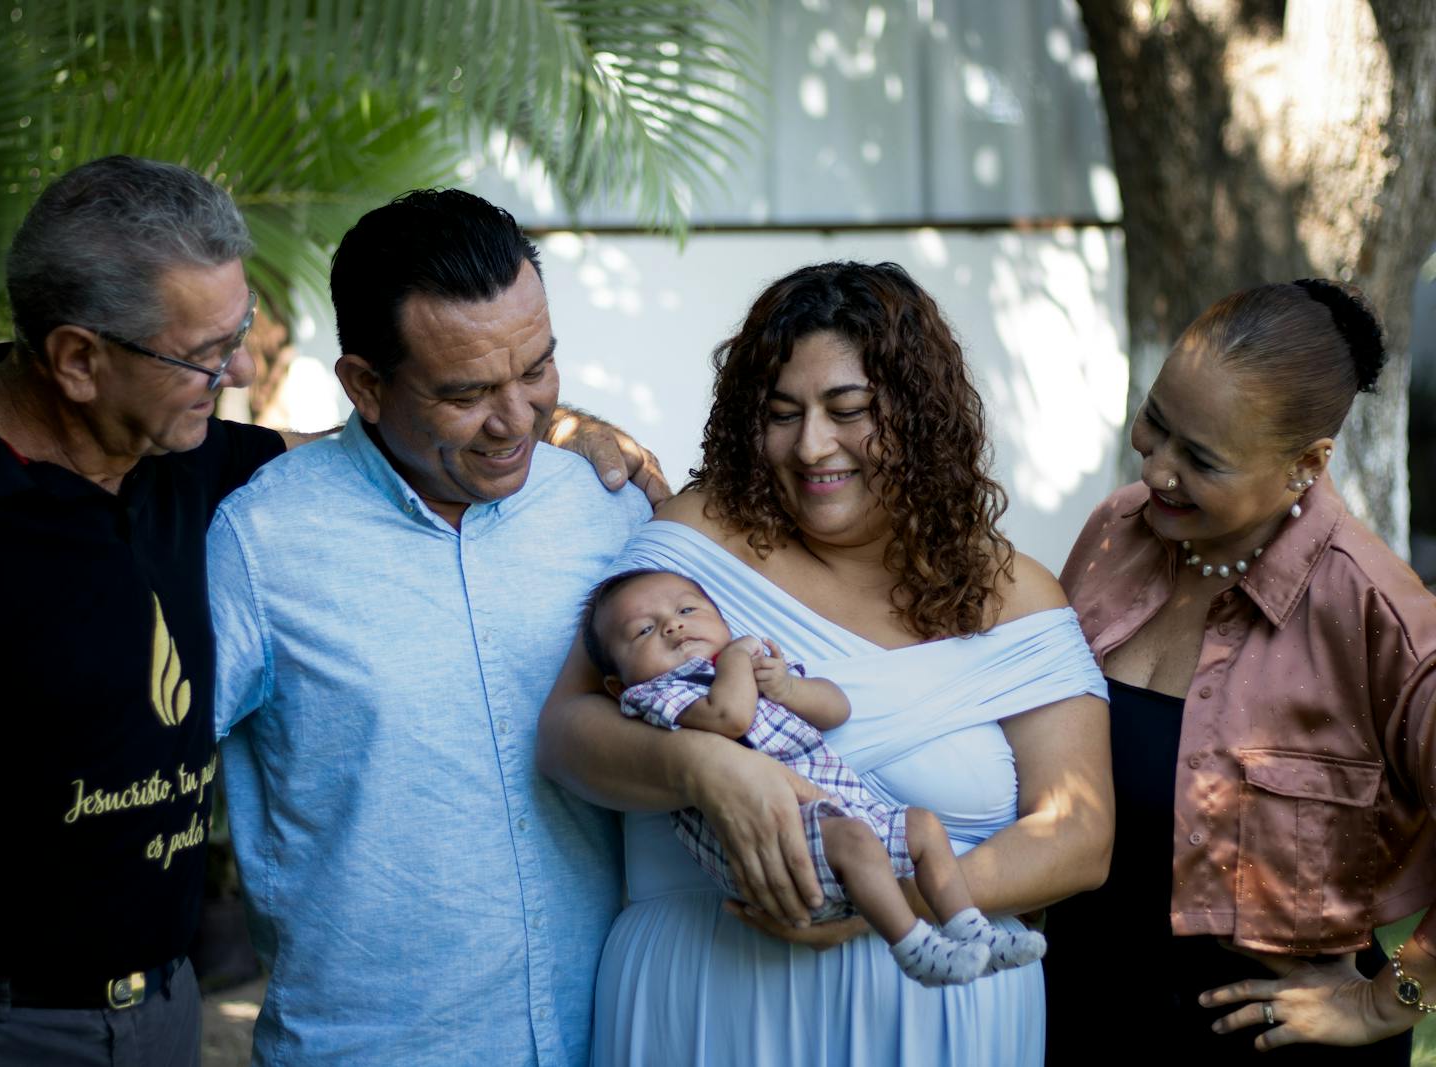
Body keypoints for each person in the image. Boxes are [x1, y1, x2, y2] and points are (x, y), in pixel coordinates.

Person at [0, 159, 660, 1067]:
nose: (234, 372)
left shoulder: (189, 456)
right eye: (201, 354)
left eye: (536, 366)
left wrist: (568, 424)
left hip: (174, 1011)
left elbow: (379, 451)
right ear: (79, 360)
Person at [537, 260, 1115, 1066]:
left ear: (920, 417)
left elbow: (1081, 836)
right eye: (782, 413)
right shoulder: (695, 542)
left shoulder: (1015, 594)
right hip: (710, 1006)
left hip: (939, 1024)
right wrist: (703, 768)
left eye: (849, 410)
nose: (811, 447)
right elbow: (566, 732)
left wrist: (884, 906)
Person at [206, 188, 653, 1065]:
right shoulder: (261, 542)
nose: (517, 420)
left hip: (612, 1035)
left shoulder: (609, 513)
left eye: (537, 371)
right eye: (468, 393)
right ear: (365, 385)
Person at [1044, 280, 1436, 1063]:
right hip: (1078, 1012)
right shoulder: (1115, 533)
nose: (1157, 471)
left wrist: (1391, 998)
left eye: (1201, 459)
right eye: (1156, 424)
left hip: (1266, 1039)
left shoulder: (1375, 611)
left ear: (1305, 465)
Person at [582, 567, 1049, 985]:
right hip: (775, 849)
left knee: (923, 826)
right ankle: (915, 949)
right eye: (643, 630)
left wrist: (788, 686)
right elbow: (730, 717)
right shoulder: (654, 697)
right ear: (619, 684)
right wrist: (737, 661)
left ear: (723, 623)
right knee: (857, 843)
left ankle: (972, 932)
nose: (673, 625)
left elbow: (836, 708)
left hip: (839, 815)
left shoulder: (752, 672)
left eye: (687, 609)